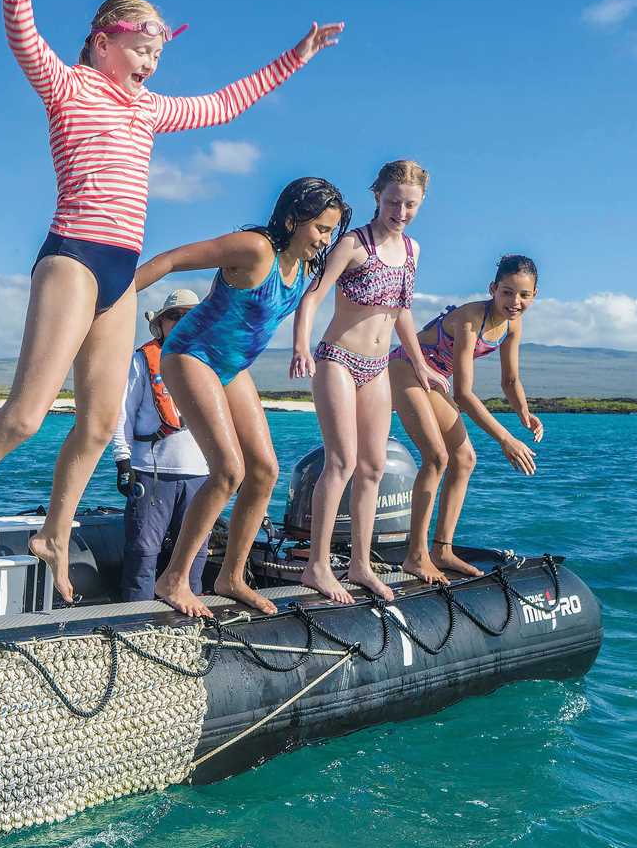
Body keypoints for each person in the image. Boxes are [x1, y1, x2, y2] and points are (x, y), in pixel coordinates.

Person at [0, 0, 345, 605]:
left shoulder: (149, 111)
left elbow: (226, 103)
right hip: (74, 256)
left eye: (159, 56)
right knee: (25, 415)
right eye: (142, 50)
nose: (150, 64)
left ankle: (54, 531)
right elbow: (21, 33)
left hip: (120, 270)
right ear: (105, 41)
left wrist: (296, 57)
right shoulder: (68, 85)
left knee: (101, 418)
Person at [131, 178, 351, 618]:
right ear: (292, 220)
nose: (325, 240)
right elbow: (175, 259)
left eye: (331, 232)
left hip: (232, 367)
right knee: (228, 470)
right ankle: (174, 578)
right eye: (321, 229)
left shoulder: (304, 269)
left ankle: (231, 576)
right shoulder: (255, 250)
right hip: (191, 354)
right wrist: (113, 300)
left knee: (265, 471)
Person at [288, 160, 440, 604]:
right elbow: (312, 297)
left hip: (377, 367)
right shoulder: (355, 244)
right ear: (377, 196)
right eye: (393, 201)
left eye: (410, 204)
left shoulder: (412, 251)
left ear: (421, 203)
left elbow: (402, 313)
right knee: (342, 462)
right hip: (337, 357)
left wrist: (420, 364)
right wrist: (301, 346)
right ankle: (317, 566)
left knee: (374, 466)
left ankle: (359, 563)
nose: (401, 210)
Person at [386, 255, 545, 584]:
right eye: (507, 292)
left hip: (436, 379)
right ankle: (415, 556)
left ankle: (441, 550)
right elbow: (463, 394)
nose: (515, 302)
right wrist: (505, 439)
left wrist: (524, 413)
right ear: (493, 289)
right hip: (406, 368)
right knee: (436, 457)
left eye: (524, 295)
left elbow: (510, 380)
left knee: (465, 458)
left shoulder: (513, 324)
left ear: (534, 295)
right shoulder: (471, 319)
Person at [109, 289, 209, 602]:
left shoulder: (211, 361)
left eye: (189, 316)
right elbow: (120, 412)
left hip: (200, 474)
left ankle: (190, 616)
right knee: (143, 550)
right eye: (174, 316)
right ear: (161, 323)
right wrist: (122, 460)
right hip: (150, 472)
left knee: (196, 550)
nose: (181, 322)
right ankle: (135, 619)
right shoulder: (141, 362)